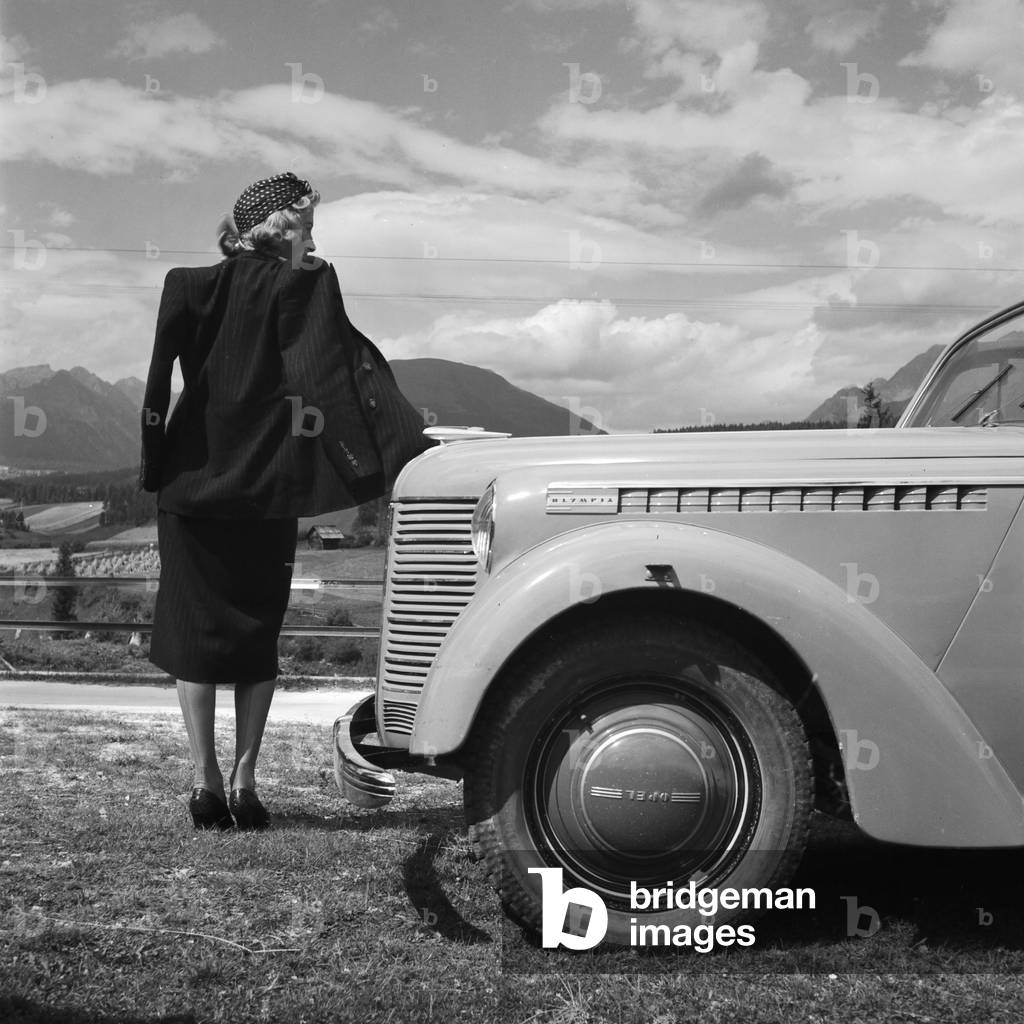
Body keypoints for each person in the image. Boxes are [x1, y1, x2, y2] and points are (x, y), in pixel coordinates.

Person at [139, 171, 432, 831]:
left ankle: (206, 782)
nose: (315, 239)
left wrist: (154, 463)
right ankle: (244, 783)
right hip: (267, 490)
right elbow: (330, 374)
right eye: (308, 224)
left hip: (189, 487)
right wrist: (389, 449)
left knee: (193, 635)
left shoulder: (185, 284)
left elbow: (157, 382)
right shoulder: (306, 282)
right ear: (282, 226)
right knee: (255, 635)